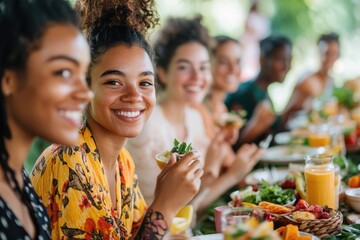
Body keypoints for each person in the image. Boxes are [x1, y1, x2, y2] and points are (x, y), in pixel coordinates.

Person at [30, 1, 203, 239]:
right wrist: (166, 204)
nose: (134, 96)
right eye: (114, 82)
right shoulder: (69, 161)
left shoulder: (123, 162)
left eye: (144, 83)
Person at [126, 16, 263, 213]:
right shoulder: (148, 125)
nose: (197, 77)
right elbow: (176, 211)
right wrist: (230, 174)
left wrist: (218, 151)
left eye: (203, 67)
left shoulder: (194, 116)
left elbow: (195, 199)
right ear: (162, 72)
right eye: (184, 67)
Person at [0, 0, 92, 238]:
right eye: (64, 72)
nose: (85, 93)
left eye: (83, 75)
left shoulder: (20, 185)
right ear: (8, 79)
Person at [226, 35, 292, 149]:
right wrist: (256, 126)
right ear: (262, 60)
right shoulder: (245, 94)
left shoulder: (265, 94)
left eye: (289, 60)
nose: (286, 66)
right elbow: (231, 146)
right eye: (279, 59)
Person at [282, 33, 340, 123]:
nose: (331, 58)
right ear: (319, 54)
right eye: (327, 53)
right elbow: (286, 113)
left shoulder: (330, 81)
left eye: (335, 53)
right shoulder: (308, 80)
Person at [205, 35, 242, 120]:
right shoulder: (197, 109)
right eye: (224, 62)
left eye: (237, 62)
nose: (233, 69)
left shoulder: (222, 110)